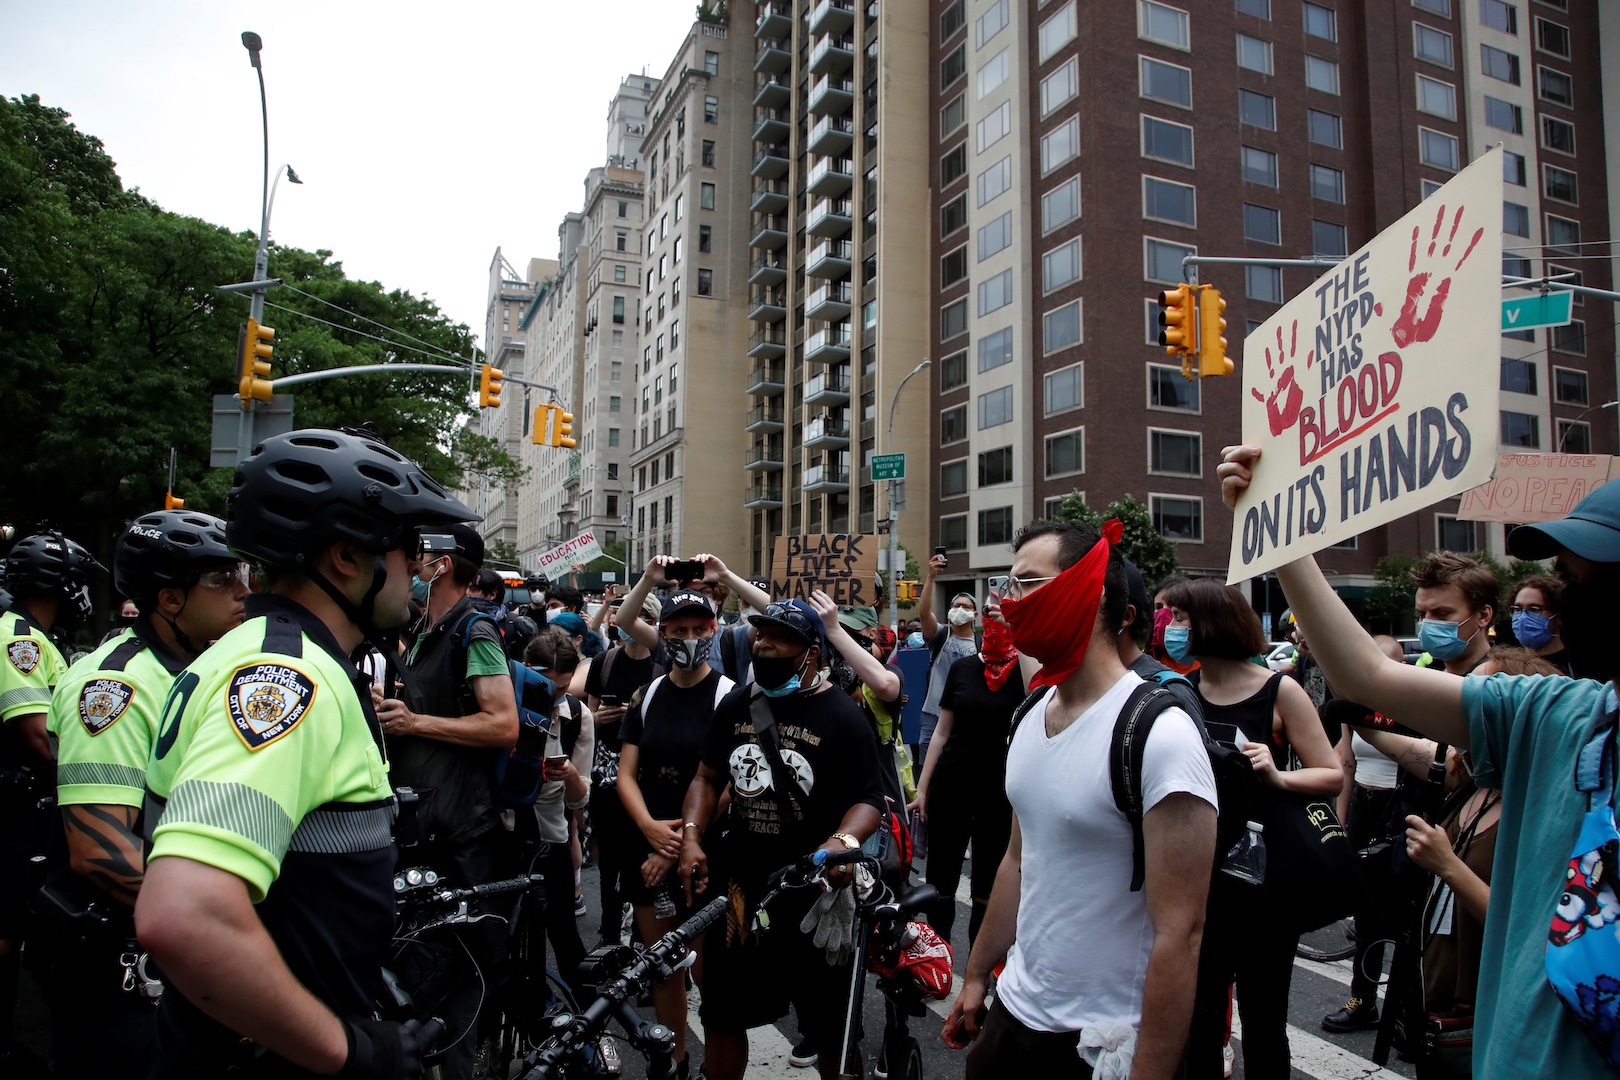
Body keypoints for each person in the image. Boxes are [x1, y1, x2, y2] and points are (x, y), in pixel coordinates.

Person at [1219, 442, 1620, 1075]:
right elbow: (1368, 675)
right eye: (1568, 581)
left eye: (1599, 583)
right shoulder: (1558, 713)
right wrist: (1280, 534)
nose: (1576, 602)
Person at [135, 428, 475, 1077]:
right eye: (407, 546)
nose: (419, 567)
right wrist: (345, 1049)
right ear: (346, 556)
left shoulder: (254, 651)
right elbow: (185, 913)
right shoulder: (290, 678)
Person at [945, 520, 1217, 1078]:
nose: (1007, 602)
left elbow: (1182, 933)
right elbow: (1018, 860)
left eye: (1027, 583)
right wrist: (975, 974)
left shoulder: (1160, 734)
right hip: (1014, 1014)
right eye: (1007, 584)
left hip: (1103, 1041)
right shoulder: (1028, 716)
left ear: (1087, 593)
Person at [35, 511, 247, 1079]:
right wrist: (237, 926)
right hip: (115, 968)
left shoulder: (196, 670)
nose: (244, 592)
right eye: (222, 580)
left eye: (242, 575)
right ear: (170, 600)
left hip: (172, 949)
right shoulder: (116, 684)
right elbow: (99, 850)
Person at [677, 599, 888, 1080]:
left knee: (831, 1030)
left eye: (780, 638)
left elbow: (868, 800)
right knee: (723, 1015)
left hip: (815, 894)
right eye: (762, 635)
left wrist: (842, 842)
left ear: (811, 652)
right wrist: (691, 836)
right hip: (740, 894)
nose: (764, 646)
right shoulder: (738, 704)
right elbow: (707, 778)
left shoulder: (842, 714)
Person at [1164, 578, 1342, 1080]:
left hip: (1264, 883)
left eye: (1179, 618)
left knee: (1264, 1019)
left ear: (1213, 623)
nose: (1169, 628)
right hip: (1197, 878)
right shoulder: (1180, 691)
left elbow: (1330, 774)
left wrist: (1276, 774)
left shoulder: (1278, 690)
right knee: (1199, 1016)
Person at [376, 522, 517, 1080]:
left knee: (454, 979)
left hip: (461, 836)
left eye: (420, 556)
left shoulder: (473, 630)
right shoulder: (424, 629)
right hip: (424, 829)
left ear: (445, 564)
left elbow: (502, 724)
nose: (411, 566)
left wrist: (416, 723)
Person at [615, 590, 734, 1080]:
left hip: (706, 853)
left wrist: (684, 840)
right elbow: (626, 774)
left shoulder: (729, 697)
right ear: (662, 634)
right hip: (648, 850)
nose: (689, 638)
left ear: (713, 631)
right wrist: (648, 827)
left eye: (698, 629)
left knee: (708, 973)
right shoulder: (647, 696)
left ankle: (715, 1066)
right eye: (678, 630)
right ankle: (674, 1063)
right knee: (662, 968)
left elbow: (731, 782)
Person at [0, 530, 101, 1065]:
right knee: (3, 925)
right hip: (12, 807)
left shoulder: (36, 636)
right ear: (60, 585)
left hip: (22, 804)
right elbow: (39, 736)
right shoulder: (21, 640)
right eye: (78, 583)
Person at [908, 610, 1022, 953]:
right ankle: (937, 959)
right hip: (951, 787)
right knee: (940, 884)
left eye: (1004, 617)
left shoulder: (1025, 671)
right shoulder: (963, 668)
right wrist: (922, 789)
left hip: (999, 796)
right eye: (990, 616)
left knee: (987, 890)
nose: (995, 624)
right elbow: (942, 732)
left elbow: (1041, 693)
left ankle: (978, 966)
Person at [1320, 635, 1408, 1035]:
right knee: (1365, 911)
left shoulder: (1412, 706)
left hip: (1399, 810)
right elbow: (1346, 761)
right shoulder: (1353, 705)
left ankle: (1405, 1003)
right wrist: (1340, 823)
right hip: (1364, 808)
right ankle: (1363, 999)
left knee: (1402, 911)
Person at [582, 593, 665, 948]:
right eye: (625, 614)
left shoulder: (662, 668)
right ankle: (610, 933)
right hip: (606, 773)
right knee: (609, 858)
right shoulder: (604, 661)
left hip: (646, 775)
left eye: (642, 615)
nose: (630, 622)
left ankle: (644, 939)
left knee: (641, 858)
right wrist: (599, 718)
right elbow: (588, 715)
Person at [514, 629, 592, 991]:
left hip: (552, 834)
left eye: (562, 687)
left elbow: (579, 799)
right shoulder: (505, 703)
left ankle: (583, 1010)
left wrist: (571, 775)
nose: (554, 695)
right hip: (503, 829)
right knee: (508, 930)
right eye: (546, 687)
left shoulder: (577, 715)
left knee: (563, 929)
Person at [916, 556, 979, 772]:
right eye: (956, 605)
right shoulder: (940, 635)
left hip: (965, 717)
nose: (960, 609)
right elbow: (924, 612)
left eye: (965, 606)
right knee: (928, 767)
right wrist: (930, 578)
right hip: (932, 714)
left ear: (975, 614)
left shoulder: (981, 644)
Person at [1410, 552, 1497, 677]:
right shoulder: (1427, 675)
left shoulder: (1501, 681)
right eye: (1422, 614)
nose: (1427, 623)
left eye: (1442, 613)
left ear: (1483, 616)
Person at [1508, 575, 1567, 671]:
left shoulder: (1577, 666)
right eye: (1517, 609)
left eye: (1534, 609)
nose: (1522, 617)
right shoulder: (1508, 668)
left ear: (1559, 616)